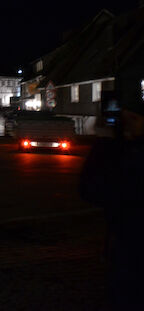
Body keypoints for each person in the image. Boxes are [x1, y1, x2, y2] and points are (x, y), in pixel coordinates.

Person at [80, 90, 144, 309]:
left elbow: (93, 190)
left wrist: (105, 143)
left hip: (131, 247)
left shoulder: (133, 154)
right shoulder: (132, 149)